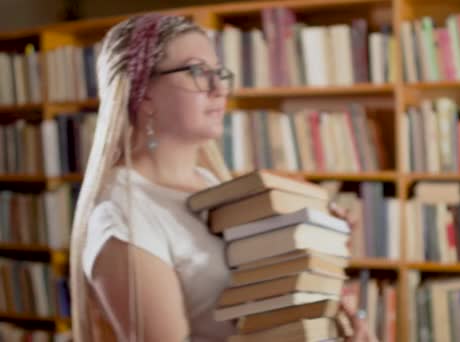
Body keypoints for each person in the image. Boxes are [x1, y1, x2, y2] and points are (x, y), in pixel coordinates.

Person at [69, 13, 377, 342]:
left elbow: (262, 298)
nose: (220, 88)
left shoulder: (210, 183)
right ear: (143, 93)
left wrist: (314, 236)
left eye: (220, 72)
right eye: (197, 71)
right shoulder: (122, 216)